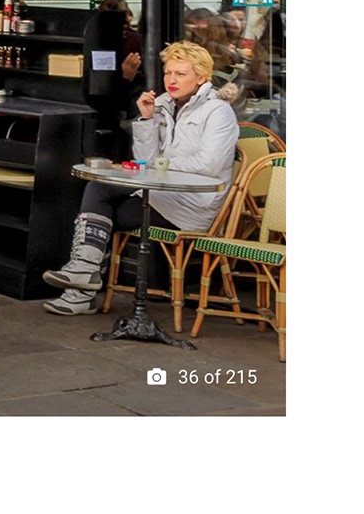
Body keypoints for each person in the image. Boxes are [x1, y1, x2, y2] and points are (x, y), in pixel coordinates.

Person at [43, 41, 241, 315]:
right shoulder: (161, 104)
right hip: (159, 195)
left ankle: (81, 290)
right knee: (98, 190)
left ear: (202, 77)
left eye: (181, 74)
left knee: (100, 208)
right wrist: (147, 120)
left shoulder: (218, 111)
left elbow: (209, 164)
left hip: (192, 205)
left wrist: (161, 164)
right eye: (168, 73)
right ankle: (83, 278)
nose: (171, 80)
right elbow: (145, 159)